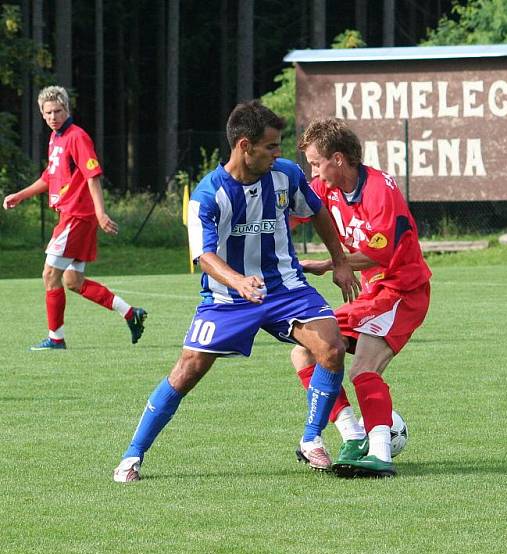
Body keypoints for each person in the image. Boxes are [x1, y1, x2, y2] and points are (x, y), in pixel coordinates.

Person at [112, 101, 360, 482]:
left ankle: (311, 438)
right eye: (271, 146)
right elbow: (204, 256)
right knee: (187, 369)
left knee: (331, 347)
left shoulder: (286, 176)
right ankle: (132, 455)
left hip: (284, 287)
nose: (279, 154)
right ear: (245, 146)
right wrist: (239, 281)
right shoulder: (208, 196)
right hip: (227, 298)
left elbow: (318, 212)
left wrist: (339, 261)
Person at [292, 117, 431, 478]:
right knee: (306, 349)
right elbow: (293, 211)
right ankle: (353, 436)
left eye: (316, 163)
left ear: (338, 159)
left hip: (402, 290)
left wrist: (329, 263)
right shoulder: (328, 189)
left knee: (362, 369)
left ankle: (380, 454)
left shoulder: (379, 191)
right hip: (373, 294)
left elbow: (381, 253)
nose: (313, 171)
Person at [3, 85, 147, 350]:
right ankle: (131, 313)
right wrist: (20, 195)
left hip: (77, 217)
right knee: (73, 281)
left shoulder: (77, 137)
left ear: (67, 109)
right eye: (48, 113)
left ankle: (56, 339)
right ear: (42, 113)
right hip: (70, 216)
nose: (53, 116)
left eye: (58, 111)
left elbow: (93, 176)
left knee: (49, 274)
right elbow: (49, 176)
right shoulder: (56, 138)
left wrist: (101, 213)